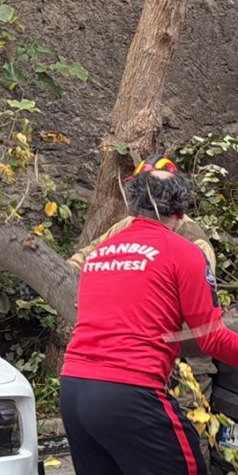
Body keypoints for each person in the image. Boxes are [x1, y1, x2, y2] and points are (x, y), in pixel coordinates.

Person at [60, 158, 238, 475]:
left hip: (74, 389)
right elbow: (212, 338)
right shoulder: (183, 251)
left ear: (132, 206)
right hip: (129, 392)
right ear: (181, 212)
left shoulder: (100, 254)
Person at [66, 154, 220, 448]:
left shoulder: (194, 242)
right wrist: (71, 280)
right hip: (139, 357)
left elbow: (200, 311)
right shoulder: (126, 227)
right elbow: (87, 257)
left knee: (187, 434)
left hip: (185, 360)